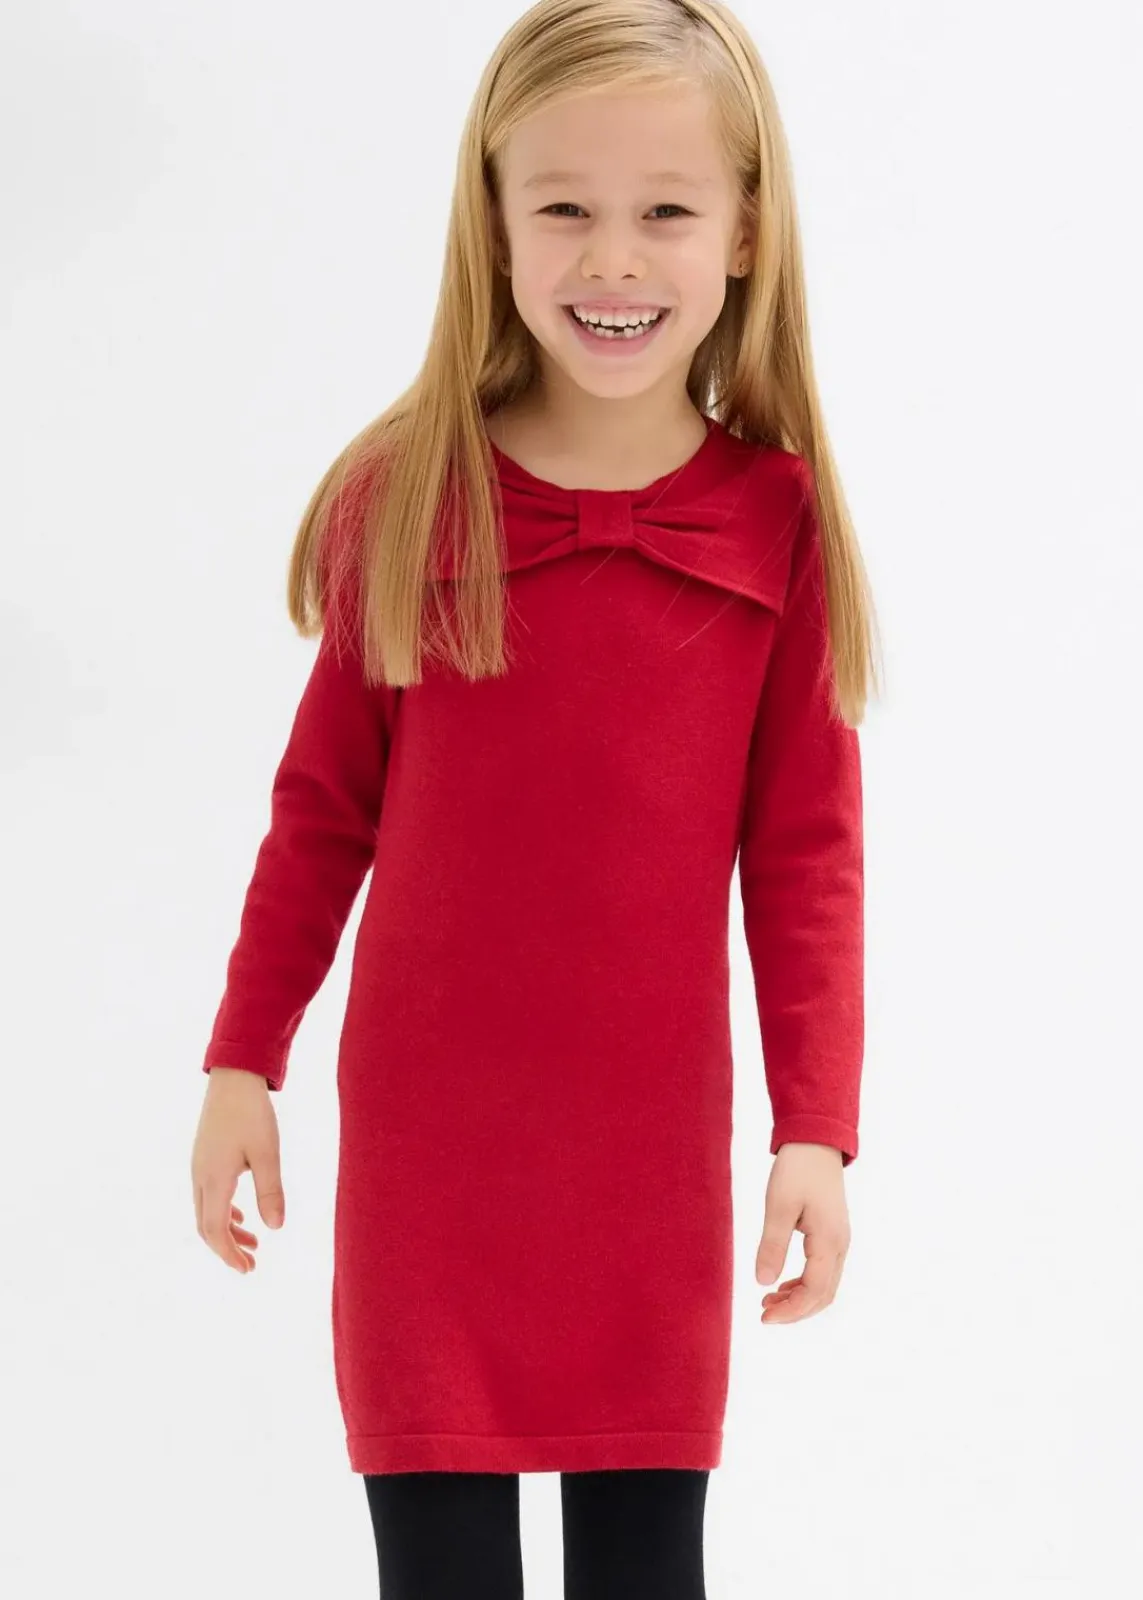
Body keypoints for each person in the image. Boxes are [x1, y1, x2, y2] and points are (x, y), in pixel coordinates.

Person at [190, 1, 880, 1594]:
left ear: (743, 232)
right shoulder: (403, 497)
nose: (611, 259)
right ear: (491, 225)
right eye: (563, 206)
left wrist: (817, 1128)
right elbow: (320, 814)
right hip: (429, 1163)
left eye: (664, 211)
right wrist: (241, 1055)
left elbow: (807, 858)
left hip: (646, 1165)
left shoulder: (775, 522)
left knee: (645, 1565)